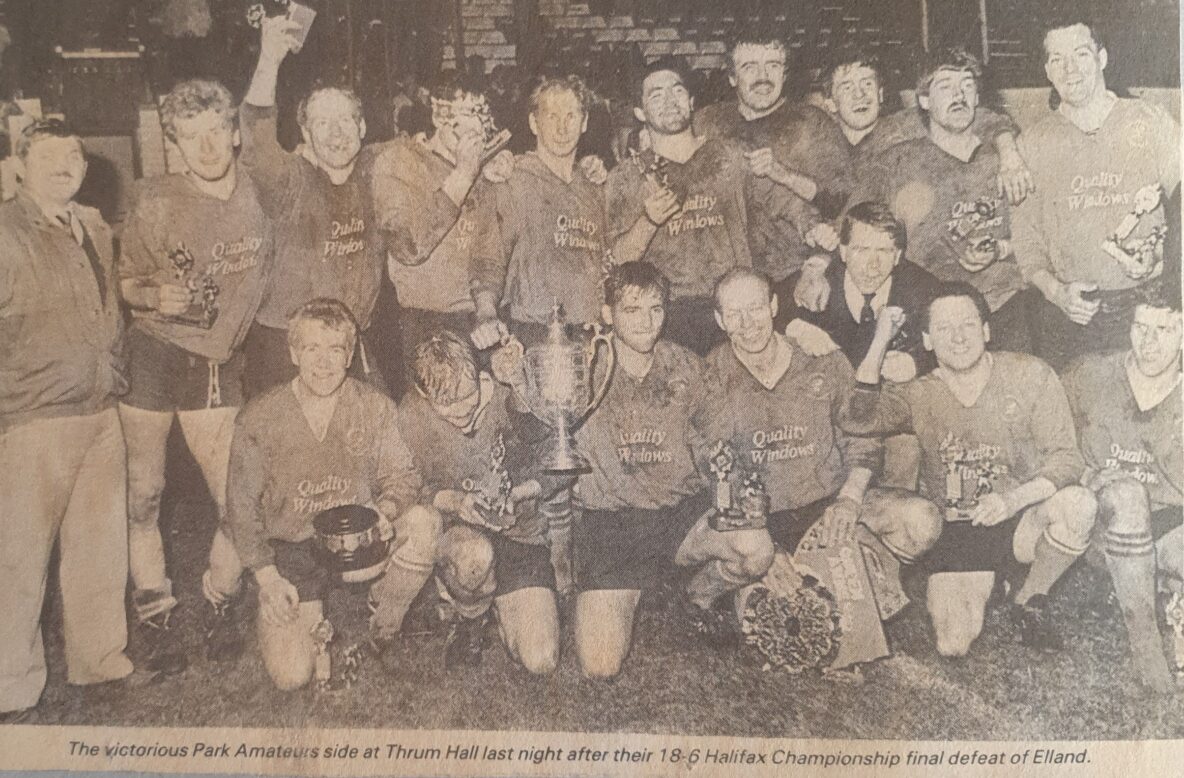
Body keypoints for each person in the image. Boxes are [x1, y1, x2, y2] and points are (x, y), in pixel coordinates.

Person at [842, 283, 1096, 657]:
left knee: (1079, 505)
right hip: (956, 528)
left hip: (1018, 520)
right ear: (927, 340)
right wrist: (880, 341)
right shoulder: (918, 392)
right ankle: (996, 585)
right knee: (952, 645)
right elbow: (856, 419)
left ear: (986, 331)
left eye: (968, 325)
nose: (958, 338)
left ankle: (1028, 597)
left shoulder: (1030, 375)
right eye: (944, 328)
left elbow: (1067, 459)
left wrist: (1012, 500)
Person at [117, 79, 272, 670]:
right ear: (175, 146)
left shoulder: (263, 190)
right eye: (190, 138)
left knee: (236, 500)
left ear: (234, 133)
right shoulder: (154, 198)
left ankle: (218, 597)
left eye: (215, 132)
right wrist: (154, 293)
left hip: (216, 361)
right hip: (154, 354)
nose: (206, 148)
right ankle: (153, 607)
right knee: (145, 493)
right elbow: (127, 282)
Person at [211, 299, 437, 690]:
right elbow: (242, 508)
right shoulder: (260, 417)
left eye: (334, 350)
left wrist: (385, 510)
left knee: (423, 523)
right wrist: (268, 578)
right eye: (311, 349)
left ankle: (383, 617)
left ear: (350, 355)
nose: (323, 362)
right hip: (292, 548)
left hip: (355, 544)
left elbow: (403, 475)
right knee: (292, 676)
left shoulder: (373, 407)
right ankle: (237, 594)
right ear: (293, 352)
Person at [1, 121, 144, 720]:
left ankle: (99, 660)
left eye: (75, 155)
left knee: (99, 547)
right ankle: (11, 683)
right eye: (49, 155)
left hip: (100, 409)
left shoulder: (91, 225)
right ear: (19, 164)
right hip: (34, 418)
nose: (65, 164)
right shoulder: (7, 231)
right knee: (19, 557)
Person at [572, 262, 775, 679]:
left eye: (656, 309)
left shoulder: (686, 367)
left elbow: (721, 445)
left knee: (756, 548)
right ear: (608, 313)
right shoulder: (582, 367)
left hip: (678, 516)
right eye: (632, 310)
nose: (647, 322)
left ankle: (696, 595)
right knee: (600, 665)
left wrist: (733, 493)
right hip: (613, 525)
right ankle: (634, 590)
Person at [701, 268, 940, 573]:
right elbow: (714, 470)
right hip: (759, 519)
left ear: (774, 306)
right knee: (778, 604)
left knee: (922, 521)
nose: (748, 324)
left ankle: (862, 563)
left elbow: (862, 434)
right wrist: (762, 543)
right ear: (720, 320)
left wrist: (850, 499)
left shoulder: (822, 357)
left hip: (830, 502)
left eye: (756, 308)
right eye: (734, 314)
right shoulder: (709, 378)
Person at [606, 58, 830, 356]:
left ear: (692, 101)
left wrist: (813, 228)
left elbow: (783, 200)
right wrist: (649, 221)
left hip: (734, 307)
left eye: (677, 91)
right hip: (668, 314)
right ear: (639, 111)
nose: (670, 101)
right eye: (656, 95)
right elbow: (619, 259)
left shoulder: (730, 156)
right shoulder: (627, 176)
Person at [825, 49, 1036, 353]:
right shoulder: (897, 162)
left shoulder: (1008, 160)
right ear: (924, 100)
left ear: (978, 97)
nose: (959, 95)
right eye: (945, 86)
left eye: (967, 85)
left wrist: (1001, 250)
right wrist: (818, 264)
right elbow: (848, 227)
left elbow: (1041, 238)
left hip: (1003, 301)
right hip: (926, 307)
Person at [1012, 16, 1180, 371]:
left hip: (1149, 305)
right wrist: (1057, 293)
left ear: (1102, 58)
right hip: (1074, 312)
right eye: (1057, 59)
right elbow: (1026, 246)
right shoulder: (1031, 144)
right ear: (1046, 70)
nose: (1070, 69)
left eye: (1081, 54)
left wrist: (1168, 272)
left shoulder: (1149, 120)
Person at [238, 14, 389, 396]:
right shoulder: (290, 178)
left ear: (363, 128)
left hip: (351, 342)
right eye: (322, 123)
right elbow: (256, 143)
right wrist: (270, 59)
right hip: (285, 344)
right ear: (305, 133)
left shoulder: (378, 172)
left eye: (344, 121)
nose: (336, 133)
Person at [398, 332, 563, 673]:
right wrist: (456, 501)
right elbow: (406, 485)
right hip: (464, 535)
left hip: (521, 532)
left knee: (541, 660)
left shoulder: (511, 393)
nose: (462, 411)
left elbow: (561, 463)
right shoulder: (411, 415)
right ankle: (470, 615)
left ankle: (498, 604)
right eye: (446, 405)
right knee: (474, 556)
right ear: (422, 393)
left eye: (469, 396)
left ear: (479, 373)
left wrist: (517, 494)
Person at [1063, 283, 1183, 693]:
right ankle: (1147, 650)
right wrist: (1084, 476)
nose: (1148, 342)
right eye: (1141, 327)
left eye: (1165, 330)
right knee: (1128, 495)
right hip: (1102, 518)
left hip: (1168, 522)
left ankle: (1164, 592)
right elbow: (1044, 439)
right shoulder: (1090, 373)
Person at [773, 202, 941, 489]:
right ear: (842, 251)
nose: (872, 266)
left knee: (906, 449)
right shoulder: (819, 281)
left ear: (898, 255)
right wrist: (795, 327)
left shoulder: (920, 289)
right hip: (829, 414)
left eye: (884, 252)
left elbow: (955, 337)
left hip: (884, 415)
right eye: (862, 250)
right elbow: (765, 307)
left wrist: (918, 361)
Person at [372, 71, 503, 381]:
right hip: (420, 323)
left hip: (471, 323)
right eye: (469, 113)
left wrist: (487, 311)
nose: (478, 127)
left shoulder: (483, 179)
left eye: (483, 116)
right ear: (439, 114)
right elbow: (408, 246)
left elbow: (487, 258)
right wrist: (462, 176)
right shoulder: (399, 161)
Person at [693, 29, 851, 279]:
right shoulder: (707, 122)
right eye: (749, 67)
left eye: (773, 65)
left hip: (796, 271)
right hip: (723, 274)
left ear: (785, 73)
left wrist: (784, 175)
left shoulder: (812, 123)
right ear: (732, 77)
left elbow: (839, 201)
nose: (762, 77)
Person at [469, 74, 607, 348]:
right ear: (534, 123)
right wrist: (486, 313)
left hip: (592, 332)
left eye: (571, 116)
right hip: (535, 331)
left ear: (585, 122)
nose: (562, 128)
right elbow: (488, 259)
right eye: (551, 116)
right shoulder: (512, 179)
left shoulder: (594, 184)